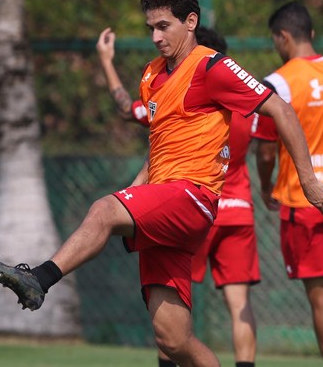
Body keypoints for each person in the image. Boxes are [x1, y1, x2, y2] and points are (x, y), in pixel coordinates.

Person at [0, 0, 323, 367]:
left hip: (192, 197)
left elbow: (282, 111)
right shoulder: (152, 75)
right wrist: (132, 194)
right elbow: (159, 151)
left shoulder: (212, 66)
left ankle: (40, 279)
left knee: (102, 210)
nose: (155, 36)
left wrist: (309, 180)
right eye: (150, 27)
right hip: (164, 201)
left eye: (164, 26)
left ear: (191, 22)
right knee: (173, 340)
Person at [101, 26, 259, 367]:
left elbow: (129, 110)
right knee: (239, 306)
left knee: (170, 305)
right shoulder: (248, 106)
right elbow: (270, 144)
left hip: (188, 207)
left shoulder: (185, 96)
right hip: (236, 211)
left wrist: (107, 62)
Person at [253, 1, 323, 367]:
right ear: (312, 34)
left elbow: (267, 151)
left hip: (305, 203)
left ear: (282, 38)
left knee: (319, 297)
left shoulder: (279, 82)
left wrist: (265, 185)